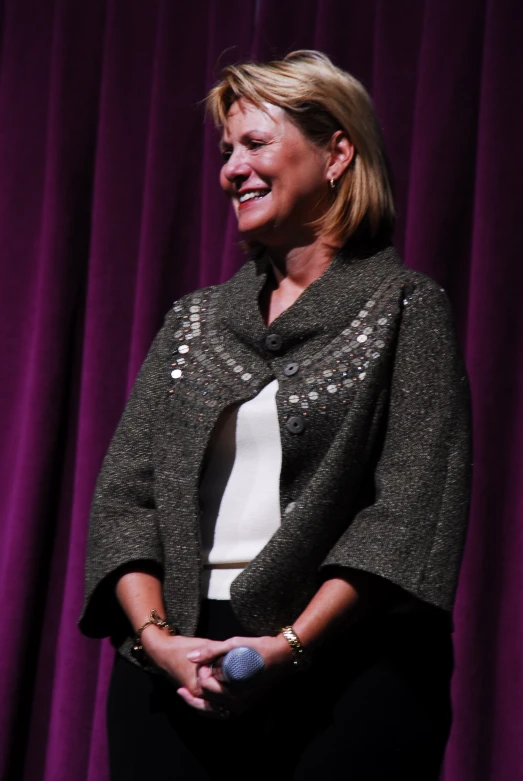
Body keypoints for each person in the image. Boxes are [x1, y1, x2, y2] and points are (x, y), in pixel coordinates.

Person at [79, 50, 472, 780]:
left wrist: (287, 646)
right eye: (226, 150)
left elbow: (407, 517)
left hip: (346, 669)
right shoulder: (194, 321)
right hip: (175, 666)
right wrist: (158, 639)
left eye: (255, 143)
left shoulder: (404, 309)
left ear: (336, 153)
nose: (232, 168)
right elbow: (124, 501)